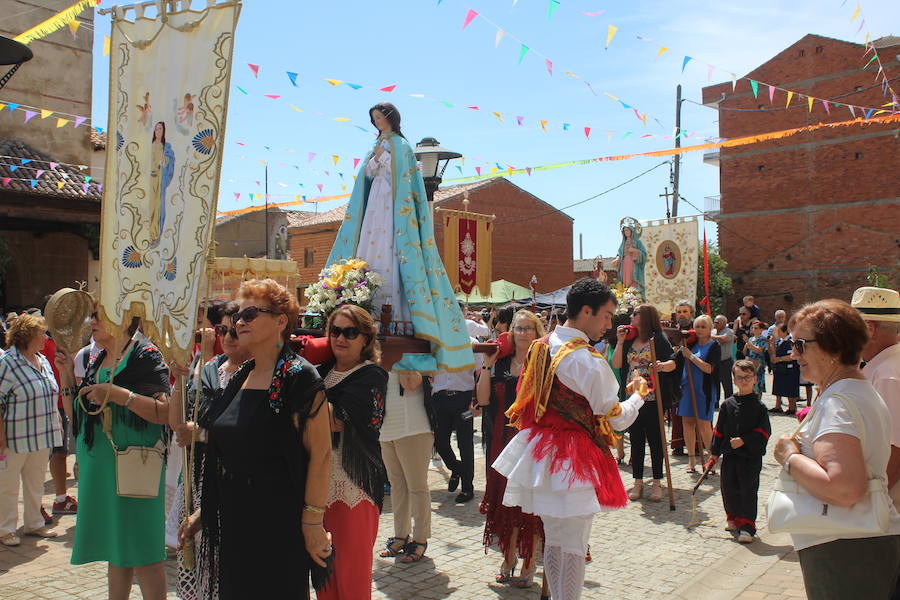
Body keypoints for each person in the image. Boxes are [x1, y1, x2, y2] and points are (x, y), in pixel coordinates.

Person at [493, 278, 649, 600]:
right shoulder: (588, 360)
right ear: (586, 311)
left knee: (554, 538)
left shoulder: (541, 346)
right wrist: (639, 396)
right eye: (606, 315)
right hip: (573, 457)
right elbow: (615, 417)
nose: (609, 324)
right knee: (574, 544)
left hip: (540, 452)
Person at [180, 279, 333, 599]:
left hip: (278, 522)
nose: (239, 322)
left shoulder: (299, 377)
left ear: (280, 321)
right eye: (238, 314)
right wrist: (204, 513)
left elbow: (321, 455)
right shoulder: (240, 376)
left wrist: (312, 524)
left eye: (250, 313)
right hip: (236, 521)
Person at [325, 102, 474, 373]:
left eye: (381, 117)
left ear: (391, 118)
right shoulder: (375, 145)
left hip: (393, 209)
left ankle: (397, 318)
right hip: (373, 207)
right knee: (369, 247)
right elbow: (367, 175)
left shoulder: (403, 147)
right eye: (375, 119)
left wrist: (383, 158)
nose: (378, 122)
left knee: (391, 255)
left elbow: (402, 175)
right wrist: (375, 160)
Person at [774, 299, 900, 599]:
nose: (795, 353)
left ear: (835, 349)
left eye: (802, 345)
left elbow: (844, 488)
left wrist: (789, 457)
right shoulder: (855, 390)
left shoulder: (838, 403)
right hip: (855, 542)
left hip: (843, 547)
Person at [54, 310, 171, 599]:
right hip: (103, 466)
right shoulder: (96, 358)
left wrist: (121, 395)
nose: (91, 321)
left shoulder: (146, 355)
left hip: (135, 467)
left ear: (122, 319)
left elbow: (165, 413)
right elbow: (78, 418)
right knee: (115, 552)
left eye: (98, 315)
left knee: (145, 555)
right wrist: (67, 374)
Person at [170, 302, 247, 600]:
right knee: (196, 561)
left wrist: (201, 434)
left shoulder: (256, 375)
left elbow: (247, 434)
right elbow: (177, 424)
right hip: (198, 479)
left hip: (232, 482)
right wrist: (177, 380)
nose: (228, 337)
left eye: (236, 331)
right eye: (222, 330)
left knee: (226, 564)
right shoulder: (209, 369)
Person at [317, 305, 389, 600]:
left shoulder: (372, 376)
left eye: (350, 332)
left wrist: (301, 397)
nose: (341, 338)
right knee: (324, 577)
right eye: (335, 331)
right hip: (318, 487)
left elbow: (335, 422)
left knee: (352, 579)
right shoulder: (320, 372)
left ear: (366, 339)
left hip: (354, 488)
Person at [477, 310, 545, 588]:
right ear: (511, 332)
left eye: (530, 328)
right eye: (519, 328)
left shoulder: (544, 363)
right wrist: (487, 366)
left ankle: (529, 562)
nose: (524, 333)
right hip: (502, 442)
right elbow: (483, 399)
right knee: (506, 501)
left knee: (531, 504)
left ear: (538, 332)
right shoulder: (501, 363)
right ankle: (508, 558)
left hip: (533, 443)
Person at [0, 313, 63, 546]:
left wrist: (55, 420)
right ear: (27, 336)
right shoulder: (7, 362)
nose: (45, 337)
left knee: (35, 481)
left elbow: (49, 393)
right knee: (7, 484)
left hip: (41, 435)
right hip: (15, 437)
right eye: (41, 333)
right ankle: (5, 529)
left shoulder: (42, 360)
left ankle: (34, 523)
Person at [612, 304, 676, 502]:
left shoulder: (657, 339)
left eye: (635, 313)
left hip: (653, 397)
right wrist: (620, 342)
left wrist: (661, 366)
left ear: (646, 317)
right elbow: (617, 364)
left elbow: (673, 362)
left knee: (656, 441)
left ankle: (657, 482)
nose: (631, 316)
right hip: (633, 398)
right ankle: (638, 481)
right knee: (637, 440)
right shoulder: (630, 339)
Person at [709, 359, 771, 543]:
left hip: (750, 458)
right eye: (740, 378)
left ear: (754, 379)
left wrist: (744, 440)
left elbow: (764, 432)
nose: (743, 381)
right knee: (729, 488)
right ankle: (733, 518)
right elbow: (719, 430)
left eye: (747, 377)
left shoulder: (760, 407)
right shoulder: (727, 404)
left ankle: (747, 526)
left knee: (748, 490)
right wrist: (714, 452)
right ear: (734, 380)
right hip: (730, 455)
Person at [377, 368, 433, 563]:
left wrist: (399, 355)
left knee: (416, 486)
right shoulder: (376, 351)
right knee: (397, 486)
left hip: (414, 427)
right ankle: (401, 535)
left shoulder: (413, 350)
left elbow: (410, 383)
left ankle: (420, 538)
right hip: (386, 429)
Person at [852, 287, 900, 511]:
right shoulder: (884, 367)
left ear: (869, 329)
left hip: (887, 497)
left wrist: (873, 503)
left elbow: (894, 448)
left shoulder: (887, 374)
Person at [431, 336, 482, 504]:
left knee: (465, 444)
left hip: (463, 400)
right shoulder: (434, 341)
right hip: (440, 398)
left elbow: (479, 373)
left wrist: (476, 401)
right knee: (440, 442)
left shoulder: (472, 342)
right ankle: (457, 468)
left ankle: (468, 487)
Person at [678, 315, 721, 473]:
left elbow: (709, 368)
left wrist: (691, 356)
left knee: (704, 425)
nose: (700, 330)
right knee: (687, 424)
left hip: (704, 390)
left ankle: (711, 459)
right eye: (698, 326)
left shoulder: (714, 346)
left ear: (710, 329)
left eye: (703, 327)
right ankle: (691, 459)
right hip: (687, 388)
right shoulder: (691, 343)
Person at [670, 300, 695, 456]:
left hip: (693, 374)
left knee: (693, 411)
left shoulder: (697, 329)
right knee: (677, 411)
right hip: (676, 375)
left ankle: (697, 445)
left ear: (691, 314)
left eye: (685, 311)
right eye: (679, 312)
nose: (682, 315)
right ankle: (678, 444)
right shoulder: (672, 332)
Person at [770, 325, 800, 415]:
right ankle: (778, 406)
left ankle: (792, 408)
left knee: (790, 388)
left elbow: (792, 356)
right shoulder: (780, 341)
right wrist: (772, 344)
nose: (777, 333)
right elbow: (775, 352)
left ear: (784, 331)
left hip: (790, 369)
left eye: (778, 331)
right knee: (779, 387)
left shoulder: (790, 341)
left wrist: (779, 359)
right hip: (780, 369)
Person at [615, 221, 647, 297]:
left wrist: (634, 250)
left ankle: (634, 294)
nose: (626, 232)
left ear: (631, 230)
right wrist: (617, 258)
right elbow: (619, 253)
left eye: (627, 230)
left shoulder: (638, 242)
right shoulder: (623, 243)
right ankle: (627, 295)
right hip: (624, 264)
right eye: (624, 231)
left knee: (632, 280)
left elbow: (644, 254)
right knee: (625, 281)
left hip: (633, 264)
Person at [712, 314, 736, 402]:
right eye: (714, 321)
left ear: (723, 323)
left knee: (726, 384)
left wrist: (709, 336)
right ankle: (715, 402)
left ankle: (729, 401)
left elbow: (723, 339)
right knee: (715, 383)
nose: (715, 323)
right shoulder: (713, 331)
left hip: (725, 362)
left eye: (717, 322)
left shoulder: (729, 331)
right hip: (714, 362)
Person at [743, 321, 768, 394]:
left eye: (756, 328)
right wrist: (746, 344)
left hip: (758, 364)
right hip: (750, 363)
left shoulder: (763, 339)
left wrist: (748, 343)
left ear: (761, 330)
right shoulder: (751, 339)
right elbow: (745, 352)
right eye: (752, 328)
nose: (753, 329)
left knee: (757, 384)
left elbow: (758, 350)